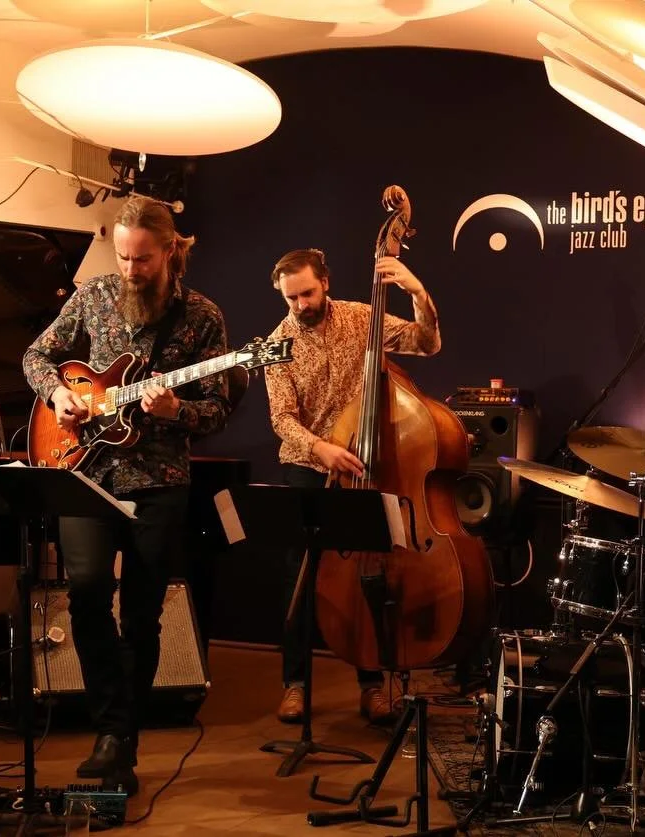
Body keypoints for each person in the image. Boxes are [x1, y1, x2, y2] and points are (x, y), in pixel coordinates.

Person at [22, 196, 231, 795]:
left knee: (142, 614)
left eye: (142, 259)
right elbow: (37, 355)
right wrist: (58, 394)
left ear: (170, 250)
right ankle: (109, 723)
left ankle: (121, 741)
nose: (131, 269)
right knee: (85, 596)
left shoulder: (203, 318)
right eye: (122, 257)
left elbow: (216, 408)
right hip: (84, 472)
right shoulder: (91, 297)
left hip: (159, 482)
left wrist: (177, 408)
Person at [262, 247, 441, 726]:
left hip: (363, 463)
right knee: (298, 580)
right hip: (308, 462)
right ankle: (295, 685)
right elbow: (282, 418)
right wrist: (321, 448)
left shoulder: (363, 317)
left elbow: (426, 344)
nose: (300, 304)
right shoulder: (277, 343)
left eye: (307, 292)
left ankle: (370, 685)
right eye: (290, 297)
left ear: (325, 282)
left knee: (368, 574)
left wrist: (417, 291)